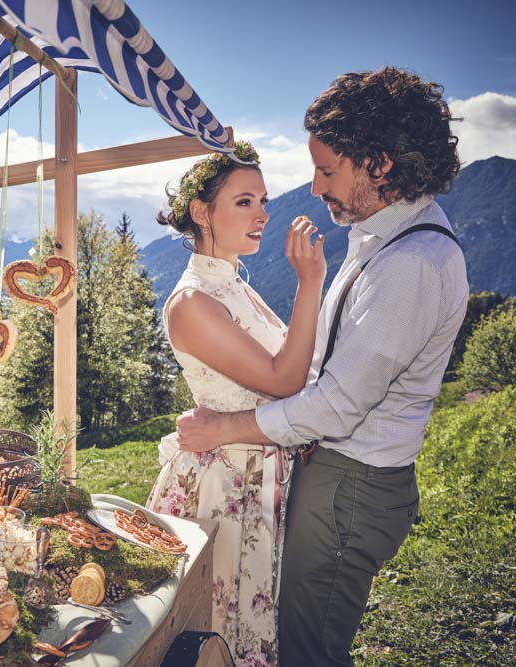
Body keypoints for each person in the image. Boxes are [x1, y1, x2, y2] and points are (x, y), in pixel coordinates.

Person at [176, 67, 468, 666]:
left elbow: (336, 404)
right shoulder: (379, 236)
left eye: (328, 170)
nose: (314, 187)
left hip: (350, 488)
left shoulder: (411, 264)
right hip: (329, 477)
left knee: (310, 650)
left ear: (379, 165)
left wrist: (224, 428)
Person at [145, 139, 326, 666]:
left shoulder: (235, 286)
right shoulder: (193, 302)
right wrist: (310, 282)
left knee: (249, 625)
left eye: (263, 201)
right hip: (223, 487)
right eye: (245, 201)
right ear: (202, 211)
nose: (263, 214)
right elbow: (285, 379)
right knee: (217, 629)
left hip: (258, 474)